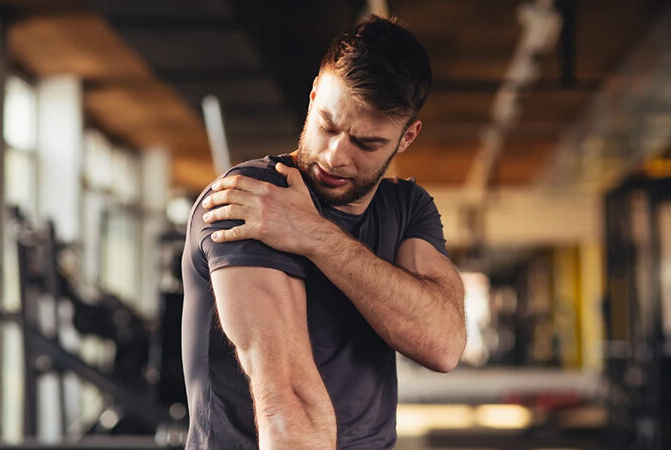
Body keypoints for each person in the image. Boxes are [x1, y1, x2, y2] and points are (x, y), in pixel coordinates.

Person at [181, 15, 466, 449]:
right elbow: (286, 403)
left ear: (406, 138)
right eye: (327, 125)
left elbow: (443, 343)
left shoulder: (406, 207)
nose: (335, 156)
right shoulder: (254, 198)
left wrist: (315, 235)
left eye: (366, 144)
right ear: (314, 95)